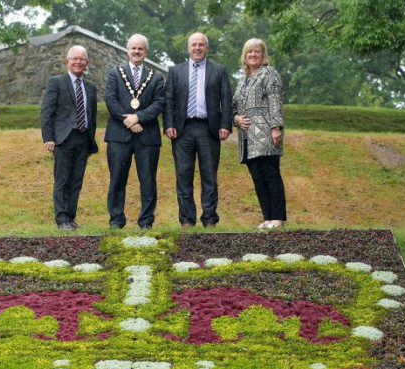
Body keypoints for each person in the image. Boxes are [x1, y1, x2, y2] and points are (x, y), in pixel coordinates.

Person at [163, 32, 232, 228]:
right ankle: (186, 220)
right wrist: (168, 124)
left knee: (209, 176)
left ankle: (210, 219)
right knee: (183, 176)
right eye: (194, 44)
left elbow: (226, 100)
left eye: (201, 45)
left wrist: (225, 125)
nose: (197, 48)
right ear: (188, 48)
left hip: (208, 129)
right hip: (182, 130)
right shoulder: (176, 71)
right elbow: (168, 100)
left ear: (207, 48)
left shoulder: (218, 70)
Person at [104, 34, 165, 230]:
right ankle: (116, 220)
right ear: (127, 50)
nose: (136, 52)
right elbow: (110, 100)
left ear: (146, 52)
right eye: (133, 48)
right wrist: (128, 121)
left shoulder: (156, 77)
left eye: (140, 49)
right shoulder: (115, 73)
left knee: (148, 180)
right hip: (118, 136)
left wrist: (138, 118)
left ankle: (146, 221)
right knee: (117, 179)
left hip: (147, 137)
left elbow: (160, 103)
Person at [40, 45, 98, 231]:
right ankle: (61, 218)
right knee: (63, 180)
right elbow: (47, 112)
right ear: (67, 61)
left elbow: (92, 116)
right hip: (63, 139)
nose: (78, 62)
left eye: (82, 59)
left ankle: (71, 218)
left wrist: (91, 143)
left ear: (87, 63)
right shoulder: (56, 82)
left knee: (76, 181)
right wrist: (48, 138)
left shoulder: (90, 88)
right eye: (75, 58)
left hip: (83, 140)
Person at [232, 38, 286, 230]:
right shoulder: (243, 80)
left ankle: (277, 217)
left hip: (266, 134)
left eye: (257, 52)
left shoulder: (268, 73)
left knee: (271, 175)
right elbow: (234, 107)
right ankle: (267, 217)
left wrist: (276, 127)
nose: (253, 55)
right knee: (258, 179)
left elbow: (275, 101)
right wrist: (236, 119)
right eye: (249, 52)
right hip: (247, 138)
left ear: (264, 55)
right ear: (244, 56)